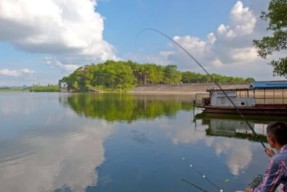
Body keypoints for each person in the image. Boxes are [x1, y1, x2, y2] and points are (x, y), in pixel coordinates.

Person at [246, 122, 287, 192]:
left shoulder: (276, 161)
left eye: (267, 137)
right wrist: (275, 156)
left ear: (272, 140)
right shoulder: (278, 159)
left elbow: (266, 190)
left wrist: (252, 191)